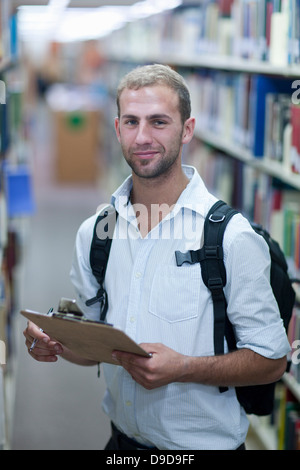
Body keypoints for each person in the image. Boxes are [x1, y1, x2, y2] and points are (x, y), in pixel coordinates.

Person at [24, 64, 291, 450]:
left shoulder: (231, 238)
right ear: (116, 129)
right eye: (131, 122)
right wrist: (59, 343)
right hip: (121, 445)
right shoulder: (97, 234)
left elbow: (271, 362)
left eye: (159, 122)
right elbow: (97, 346)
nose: (142, 137)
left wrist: (185, 368)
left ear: (187, 129)